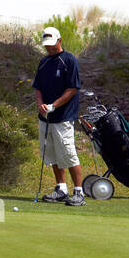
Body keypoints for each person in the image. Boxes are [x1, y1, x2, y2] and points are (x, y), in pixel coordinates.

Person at [32, 25, 84, 207]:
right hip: (46, 117)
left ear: (60, 41)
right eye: (47, 45)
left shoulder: (69, 61)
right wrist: (40, 105)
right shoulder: (44, 62)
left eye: (52, 44)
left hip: (63, 116)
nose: (49, 48)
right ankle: (61, 189)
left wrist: (54, 105)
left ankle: (79, 192)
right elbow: (38, 87)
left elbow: (72, 88)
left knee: (68, 153)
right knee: (52, 154)